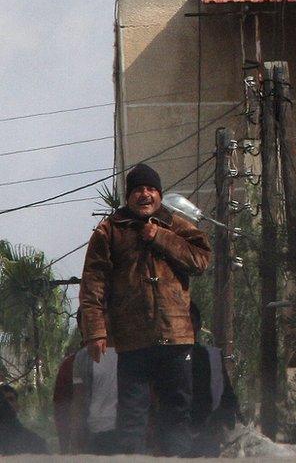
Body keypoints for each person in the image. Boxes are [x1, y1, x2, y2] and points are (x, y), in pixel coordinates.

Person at [79, 163, 213, 456]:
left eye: (151, 189)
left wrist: (161, 237)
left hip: (176, 337)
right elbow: (93, 284)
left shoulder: (176, 225)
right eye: (138, 189)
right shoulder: (109, 231)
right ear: (128, 196)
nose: (145, 195)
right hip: (132, 340)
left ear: (160, 195)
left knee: (177, 414)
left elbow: (201, 260)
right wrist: (95, 332)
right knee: (132, 417)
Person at [189, 302, 239, 457]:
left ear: (198, 325)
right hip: (174, 436)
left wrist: (226, 421)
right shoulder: (161, 359)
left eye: (189, 321)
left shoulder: (212, 356)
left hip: (207, 436)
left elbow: (227, 395)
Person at [70, 316, 120, 455]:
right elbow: (78, 400)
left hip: (127, 429)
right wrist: (75, 438)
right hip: (96, 432)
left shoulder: (131, 354)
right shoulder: (83, 357)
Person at [0, 386, 48, 455]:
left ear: (18, 406)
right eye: (2, 401)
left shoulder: (34, 442)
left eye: (9, 399)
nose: (4, 404)